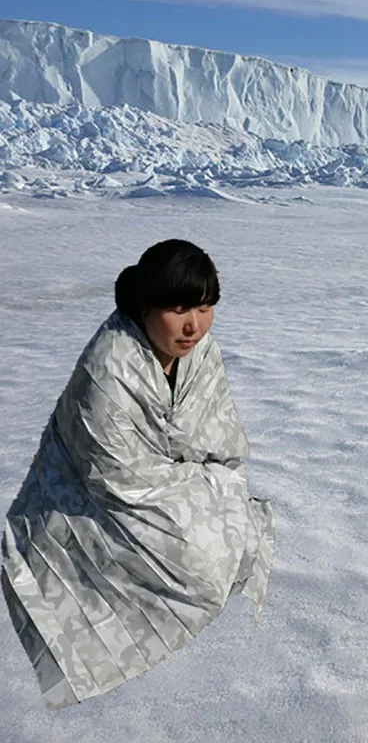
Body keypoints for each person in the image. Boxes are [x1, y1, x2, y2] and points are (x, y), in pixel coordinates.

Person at [1, 239, 275, 709]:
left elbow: (218, 435)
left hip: (169, 479)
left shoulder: (200, 352)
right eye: (179, 308)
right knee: (196, 562)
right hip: (96, 499)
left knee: (230, 528)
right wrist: (204, 486)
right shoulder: (108, 366)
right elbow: (114, 474)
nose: (194, 325)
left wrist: (212, 482)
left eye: (204, 308)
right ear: (145, 305)